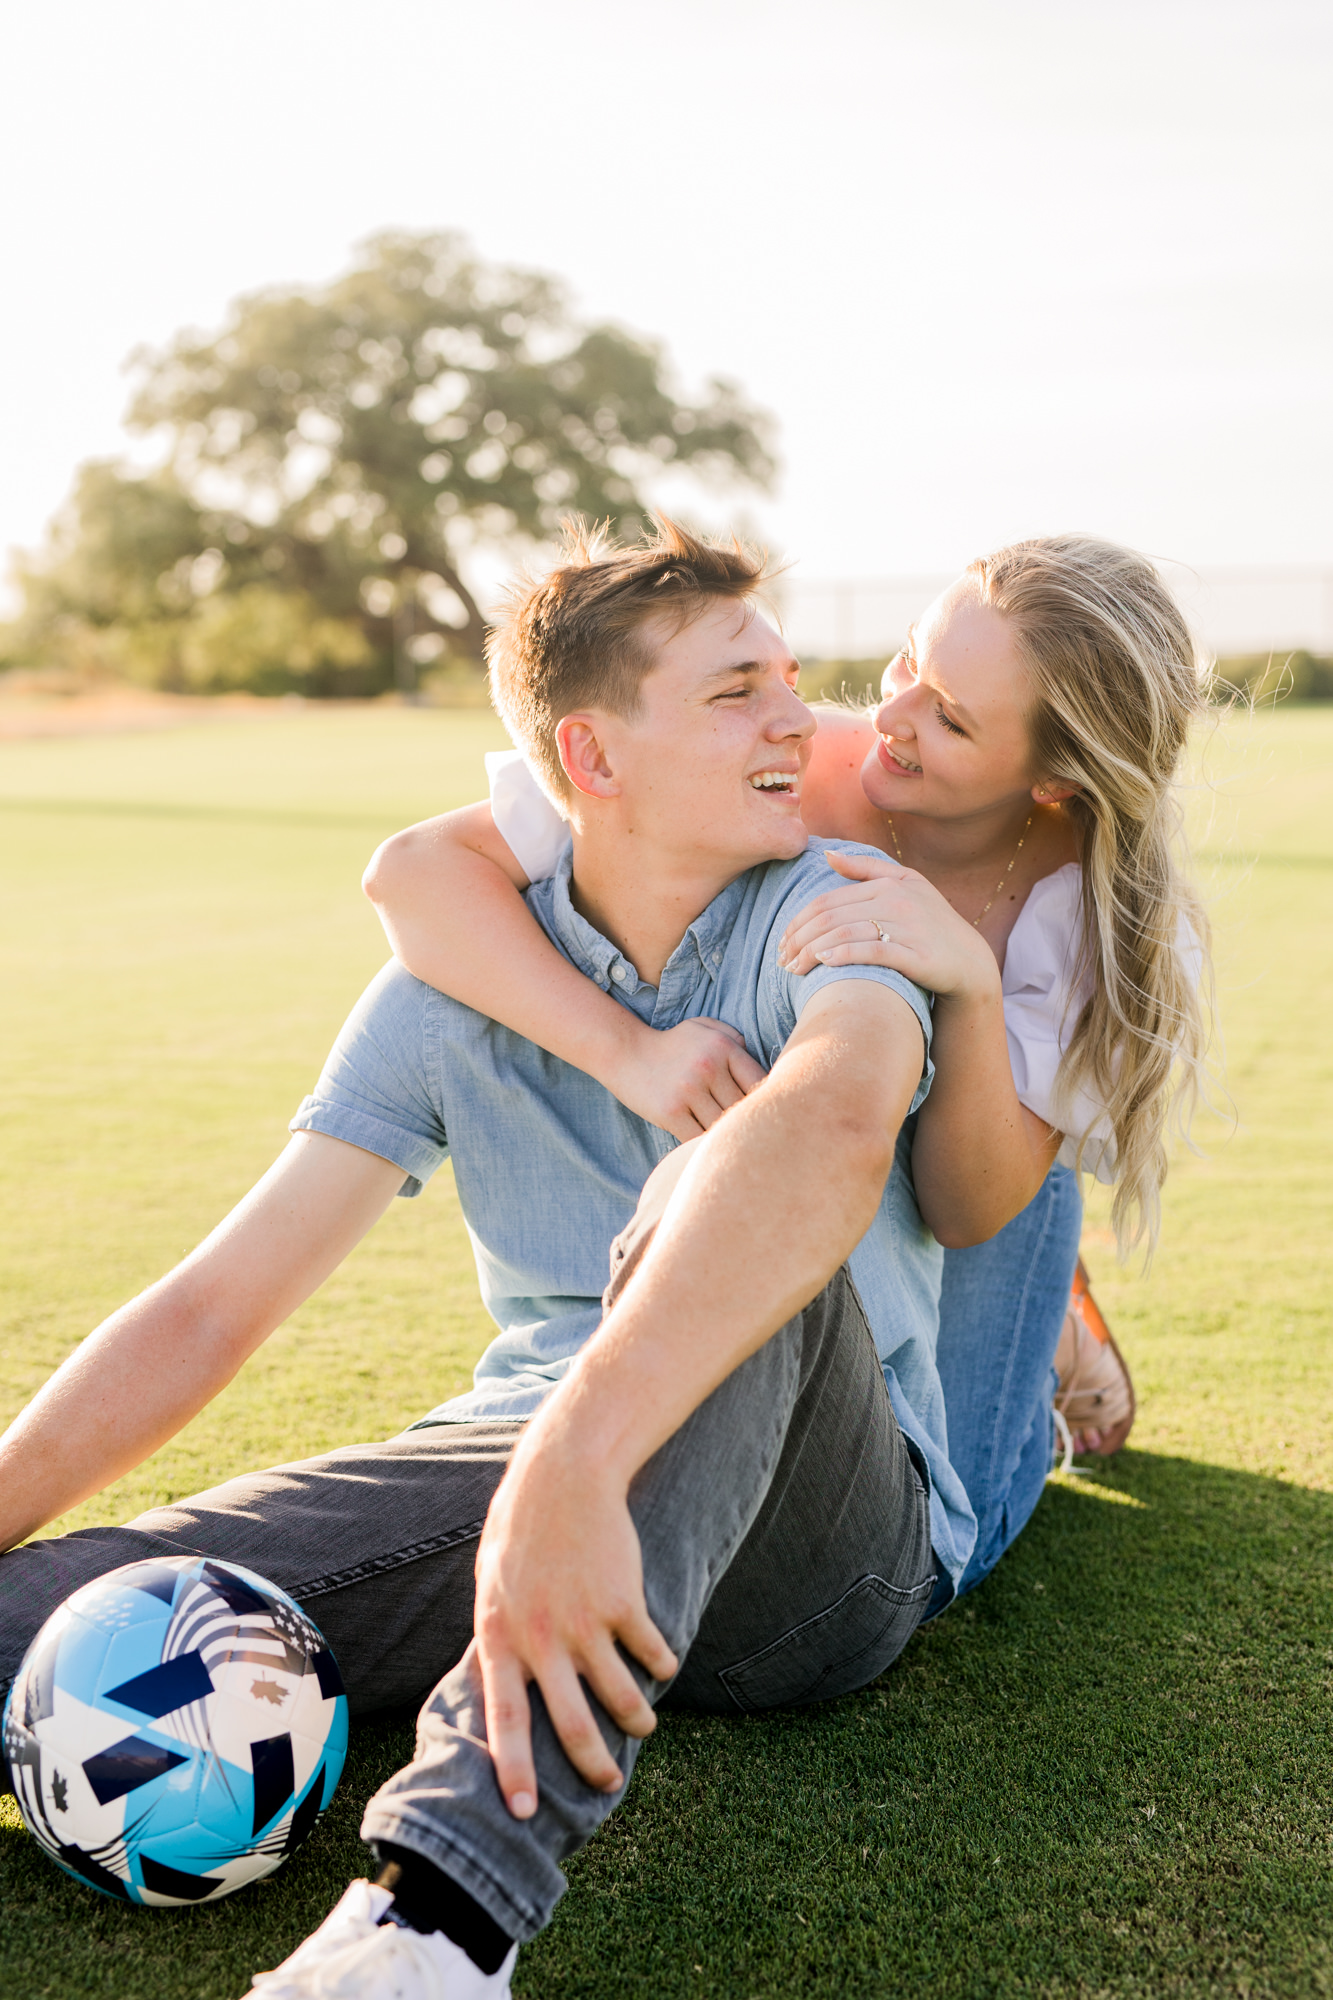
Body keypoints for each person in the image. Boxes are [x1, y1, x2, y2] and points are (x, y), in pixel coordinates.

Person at [0, 523, 1037, 2000]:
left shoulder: (839, 905)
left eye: (788, 680)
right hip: (510, 1469)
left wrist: (578, 1459)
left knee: (726, 1211)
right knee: (84, 1606)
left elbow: (833, 1117)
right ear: (591, 759)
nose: (802, 723)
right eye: (739, 691)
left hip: (824, 1557)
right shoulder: (458, 982)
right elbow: (219, 1300)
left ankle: (434, 1923)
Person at [365, 533, 1213, 1595]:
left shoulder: (1087, 914)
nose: (888, 717)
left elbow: (964, 1208)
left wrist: (971, 985)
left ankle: (1047, 1359)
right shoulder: (786, 761)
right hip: (793, 1138)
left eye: (948, 718)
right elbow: (413, 873)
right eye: (909, 663)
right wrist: (630, 1053)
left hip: (982, 1179)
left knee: (966, 1529)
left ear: (1049, 780)